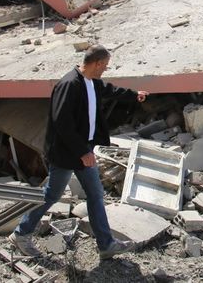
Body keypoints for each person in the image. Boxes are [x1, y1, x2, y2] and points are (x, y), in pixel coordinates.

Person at [9, 45, 148, 259]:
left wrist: (134, 95)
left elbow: (109, 90)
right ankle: (21, 233)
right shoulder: (69, 85)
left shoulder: (91, 82)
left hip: (83, 150)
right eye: (105, 66)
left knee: (95, 194)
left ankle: (106, 245)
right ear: (97, 63)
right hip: (67, 153)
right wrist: (82, 152)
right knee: (52, 195)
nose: (105, 70)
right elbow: (62, 123)